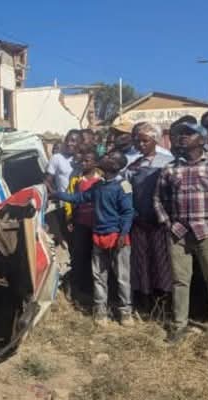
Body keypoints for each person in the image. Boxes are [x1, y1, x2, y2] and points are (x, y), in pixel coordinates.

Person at [153, 121, 208, 342]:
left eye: (189, 133)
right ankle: (179, 325)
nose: (182, 137)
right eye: (180, 134)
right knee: (180, 281)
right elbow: (158, 199)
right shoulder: (170, 169)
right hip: (178, 233)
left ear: (202, 139)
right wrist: (167, 223)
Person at [52, 151, 134, 326]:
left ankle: (126, 313)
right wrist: (57, 194)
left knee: (122, 277)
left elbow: (128, 212)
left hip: (117, 237)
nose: (104, 158)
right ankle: (100, 311)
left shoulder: (123, 185)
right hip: (99, 236)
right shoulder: (98, 186)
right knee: (99, 276)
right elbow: (80, 198)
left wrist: (123, 234)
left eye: (110, 158)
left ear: (116, 166)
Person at [125, 122, 174, 310]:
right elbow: (128, 194)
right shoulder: (133, 166)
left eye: (145, 141)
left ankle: (163, 302)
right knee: (141, 261)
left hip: (161, 221)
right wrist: (135, 215)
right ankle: (144, 301)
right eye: (138, 141)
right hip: (139, 221)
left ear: (155, 140)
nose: (141, 145)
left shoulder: (168, 161)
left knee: (162, 262)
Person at [64, 145, 102, 300]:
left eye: (87, 161)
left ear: (95, 163)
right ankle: (79, 288)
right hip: (80, 223)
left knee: (96, 256)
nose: (83, 164)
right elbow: (70, 198)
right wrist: (69, 217)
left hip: (98, 224)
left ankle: (94, 288)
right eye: (83, 161)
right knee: (80, 254)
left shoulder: (101, 179)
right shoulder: (76, 179)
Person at [45, 129, 81, 194]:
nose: (69, 143)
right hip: (64, 199)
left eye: (73, 141)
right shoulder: (57, 158)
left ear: (80, 143)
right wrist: (55, 194)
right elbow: (47, 181)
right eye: (67, 140)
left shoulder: (84, 160)